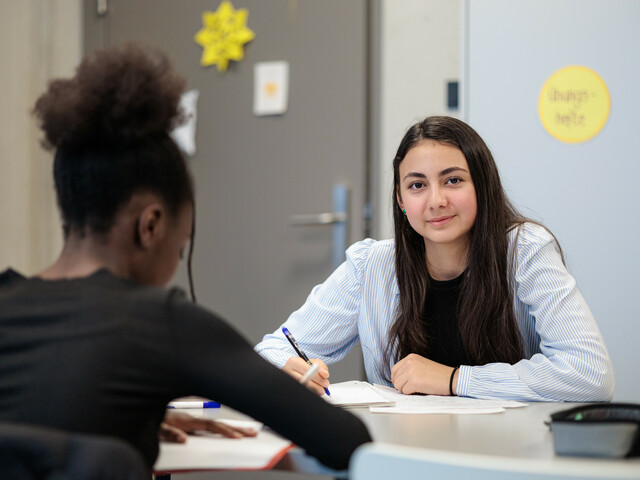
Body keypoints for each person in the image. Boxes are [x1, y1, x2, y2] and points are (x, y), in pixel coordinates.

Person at [0, 43, 370, 473]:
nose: (179, 258)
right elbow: (347, 442)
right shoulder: (160, 322)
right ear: (151, 226)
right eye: (183, 244)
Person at [256, 116, 615, 402]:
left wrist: (454, 379)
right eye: (417, 185)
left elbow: (588, 374)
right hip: (407, 451)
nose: (436, 200)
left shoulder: (525, 250)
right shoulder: (371, 265)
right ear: (400, 199)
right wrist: (286, 369)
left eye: (453, 180)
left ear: (482, 186)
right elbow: (271, 350)